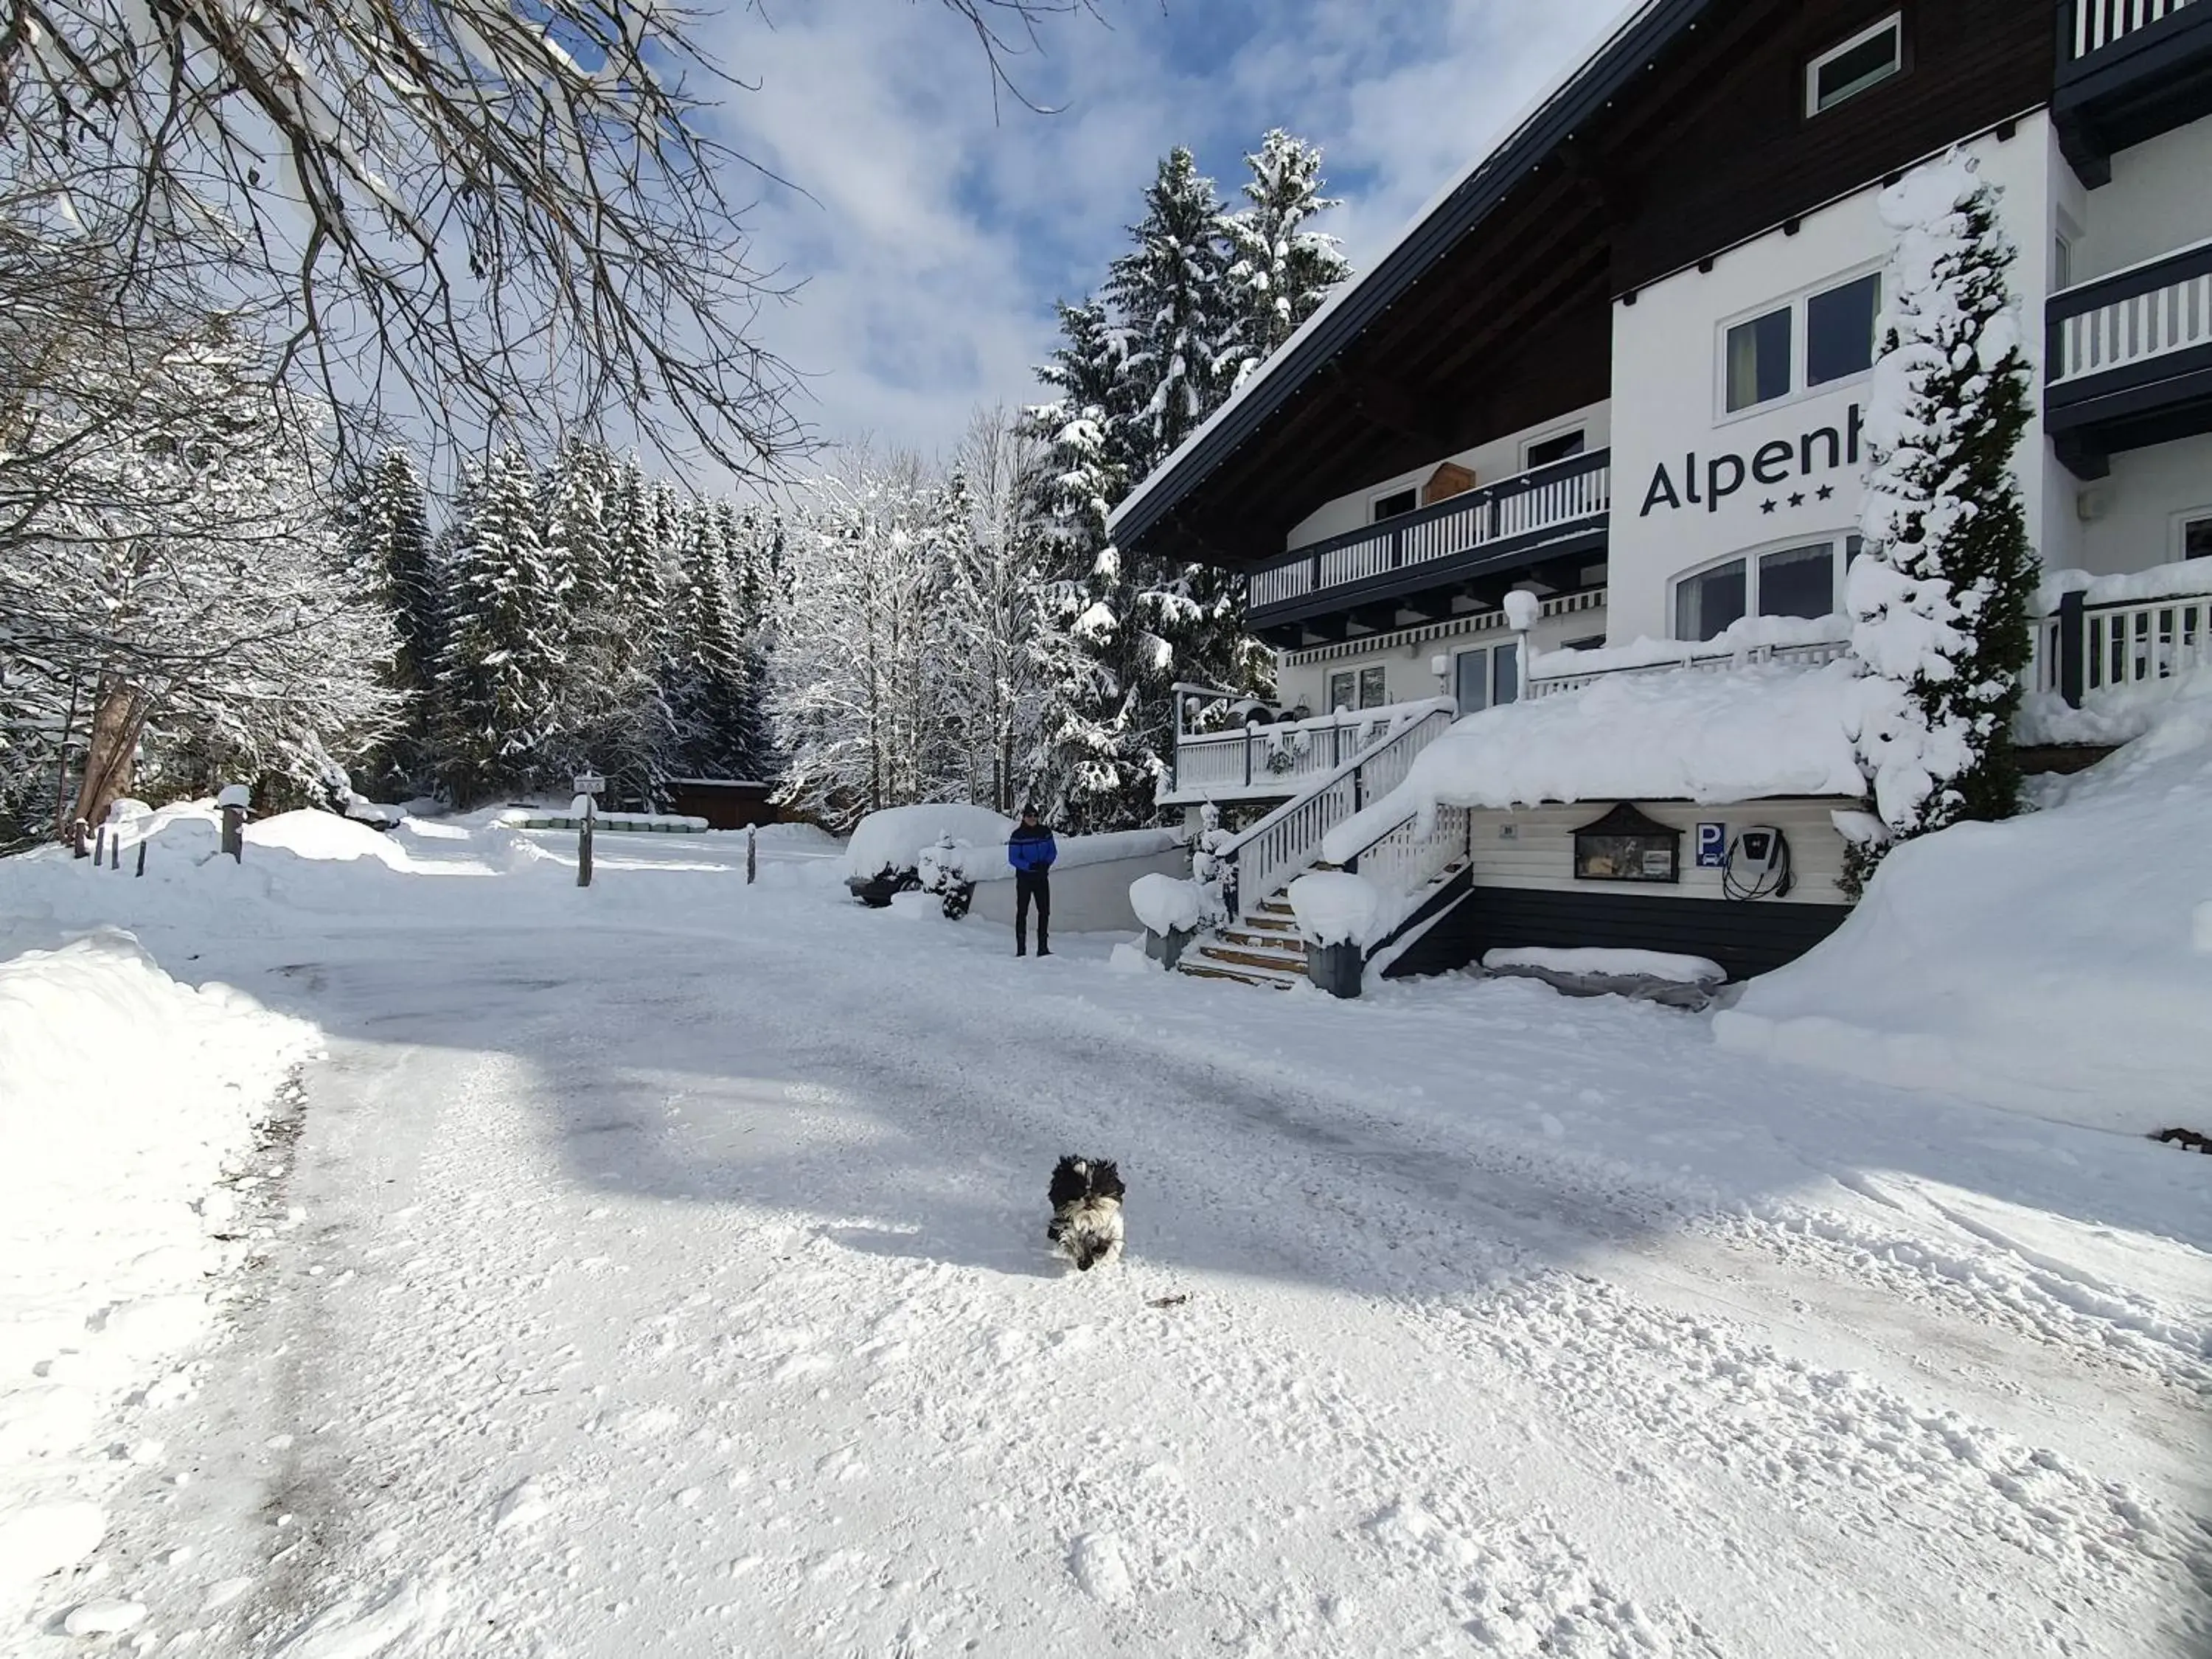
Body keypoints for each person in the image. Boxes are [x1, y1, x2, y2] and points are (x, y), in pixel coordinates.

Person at [1007, 805, 1057, 957]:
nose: (1033, 818)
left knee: (1044, 911)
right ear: (1024, 817)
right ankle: (1021, 949)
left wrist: (1046, 864)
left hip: (1041, 878)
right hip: (1025, 879)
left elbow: (1052, 851)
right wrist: (1029, 866)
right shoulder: (1018, 835)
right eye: (1029, 815)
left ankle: (1043, 947)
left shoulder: (1045, 832)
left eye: (1035, 815)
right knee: (1022, 911)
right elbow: (1013, 858)